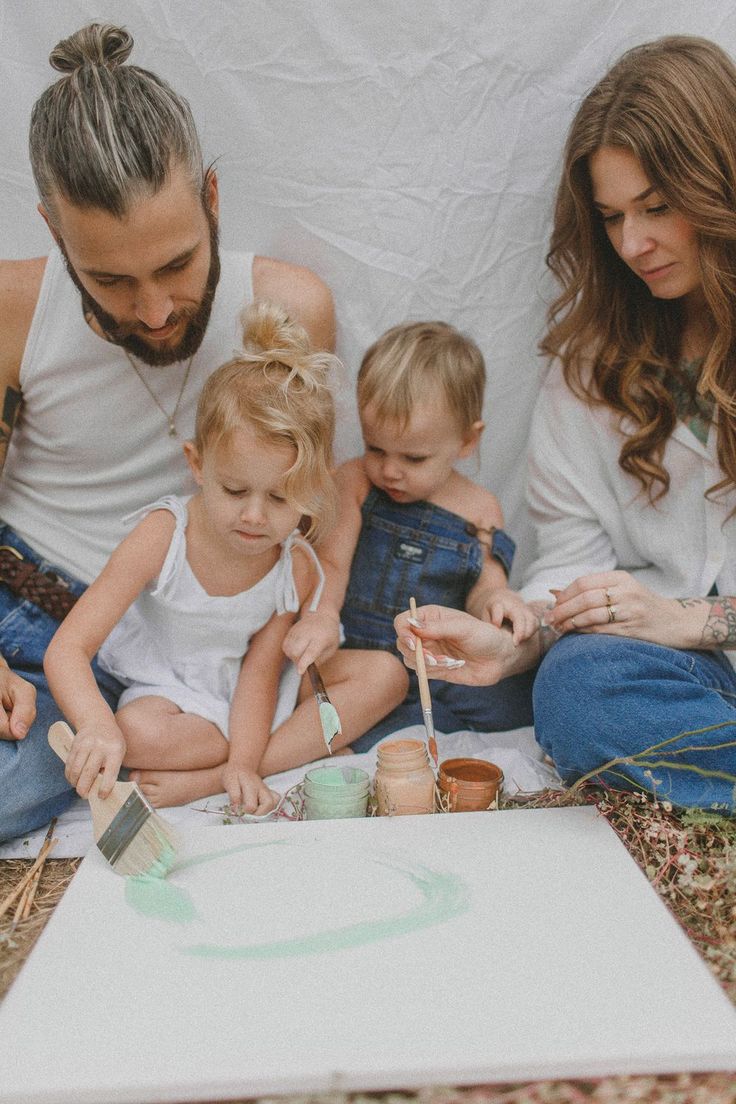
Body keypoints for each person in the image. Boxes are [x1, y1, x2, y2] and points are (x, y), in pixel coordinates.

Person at [0, 22, 337, 841]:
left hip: (180, 644)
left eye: (178, 265)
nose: (152, 312)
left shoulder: (289, 309)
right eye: (111, 279)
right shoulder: (14, 312)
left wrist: (305, 614)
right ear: (54, 230)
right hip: (31, 610)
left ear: (212, 200)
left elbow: (311, 493)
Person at [395, 36, 736, 811]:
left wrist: (686, 616)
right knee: (576, 688)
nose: (632, 244)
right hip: (684, 682)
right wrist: (516, 637)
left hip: (692, 649)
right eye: (612, 216)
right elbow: (574, 571)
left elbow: (669, 612)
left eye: (656, 208)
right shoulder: (589, 369)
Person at [44, 302, 406, 812]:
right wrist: (97, 726)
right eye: (235, 489)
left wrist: (237, 767)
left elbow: (261, 675)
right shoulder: (163, 535)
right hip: (170, 694)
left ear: (311, 491)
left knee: (386, 675)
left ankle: (219, 777)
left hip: (256, 703)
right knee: (136, 733)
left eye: (280, 499)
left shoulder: (292, 565)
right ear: (197, 464)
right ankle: (275, 756)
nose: (255, 516)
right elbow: (68, 648)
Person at [302, 320, 536, 750]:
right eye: (376, 448)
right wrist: (322, 615)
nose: (390, 470)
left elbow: (484, 589)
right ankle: (376, 729)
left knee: (519, 700)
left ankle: (422, 726)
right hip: (360, 657)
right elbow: (331, 563)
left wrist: (499, 601)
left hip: (437, 665)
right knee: (357, 702)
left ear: (467, 440)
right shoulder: (355, 481)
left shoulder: (481, 508)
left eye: (413, 457)